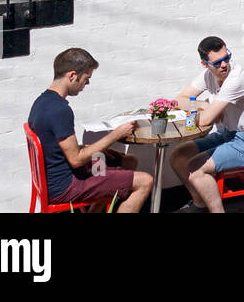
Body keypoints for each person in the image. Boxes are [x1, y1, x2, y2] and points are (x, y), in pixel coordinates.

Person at [27, 47, 154, 212]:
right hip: (67, 185)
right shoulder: (59, 110)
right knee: (145, 181)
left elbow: (56, 146)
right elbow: (76, 160)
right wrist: (116, 134)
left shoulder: (42, 101)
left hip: (57, 175)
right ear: (72, 75)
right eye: (86, 78)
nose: (87, 84)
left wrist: (88, 149)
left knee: (128, 161)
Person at [168, 36, 244, 213]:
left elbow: (206, 120)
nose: (224, 65)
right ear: (204, 64)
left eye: (227, 58)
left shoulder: (236, 79)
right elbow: (178, 100)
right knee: (178, 156)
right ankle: (200, 203)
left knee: (195, 168)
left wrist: (200, 109)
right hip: (230, 134)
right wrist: (202, 105)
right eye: (217, 63)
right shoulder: (208, 75)